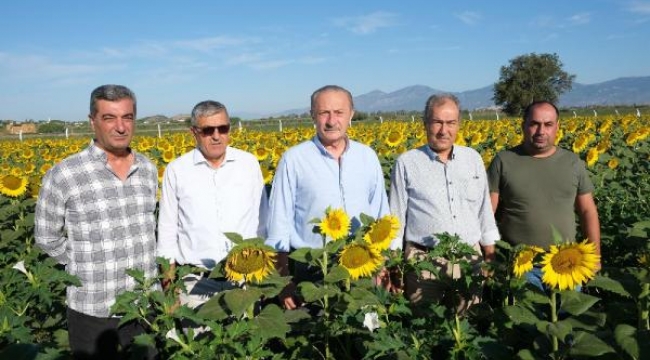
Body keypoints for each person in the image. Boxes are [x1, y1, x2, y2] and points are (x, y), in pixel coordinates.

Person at [35, 84, 158, 359]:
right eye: (109, 118)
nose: (120, 127)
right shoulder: (65, 174)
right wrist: (82, 265)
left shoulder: (148, 169)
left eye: (127, 117)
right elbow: (46, 237)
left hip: (143, 303)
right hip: (92, 306)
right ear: (93, 122)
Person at [265, 85, 390, 309]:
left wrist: (383, 264)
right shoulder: (294, 159)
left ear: (351, 114)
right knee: (316, 334)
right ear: (313, 115)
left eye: (339, 112)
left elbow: (381, 213)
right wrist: (283, 280)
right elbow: (278, 222)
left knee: (363, 333)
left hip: (363, 264)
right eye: (324, 113)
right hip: (313, 266)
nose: (332, 121)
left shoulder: (367, 156)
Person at [389, 94, 500, 312]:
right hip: (423, 262)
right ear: (425, 123)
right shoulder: (407, 162)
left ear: (458, 124)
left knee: (466, 328)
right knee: (426, 327)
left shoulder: (473, 159)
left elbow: (483, 211)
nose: (443, 130)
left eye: (450, 123)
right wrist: (394, 266)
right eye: (437, 122)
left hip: (468, 259)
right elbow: (396, 218)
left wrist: (490, 253)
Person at [157, 100, 268, 308]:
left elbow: (262, 222)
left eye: (223, 128)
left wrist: (263, 278)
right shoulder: (177, 170)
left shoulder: (248, 164)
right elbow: (167, 231)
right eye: (208, 130)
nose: (217, 136)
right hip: (195, 283)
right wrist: (169, 288)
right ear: (194, 132)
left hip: (245, 279)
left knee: (246, 336)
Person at [487, 100, 601, 288]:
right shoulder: (504, 161)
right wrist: (490, 255)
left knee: (567, 315)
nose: (541, 131)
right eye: (534, 124)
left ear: (557, 127)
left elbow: (588, 210)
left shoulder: (572, 162)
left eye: (548, 125)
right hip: (521, 265)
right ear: (523, 125)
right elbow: (487, 213)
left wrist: (595, 256)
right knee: (525, 316)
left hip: (568, 263)